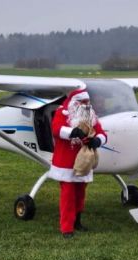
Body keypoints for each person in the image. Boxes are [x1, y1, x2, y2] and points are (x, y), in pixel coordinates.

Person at [49, 88, 107, 238]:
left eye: (88, 102)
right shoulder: (63, 113)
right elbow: (56, 129)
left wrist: (98, 140)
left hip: (84, 161)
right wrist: (72, 132)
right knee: (68, 195)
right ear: (75, 103)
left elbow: (101, 132)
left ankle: (77, 222)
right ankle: (66, 228)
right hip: (66, 162)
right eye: (83, 102)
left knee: (80, 193)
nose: (86, 105)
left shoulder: (90, 115)